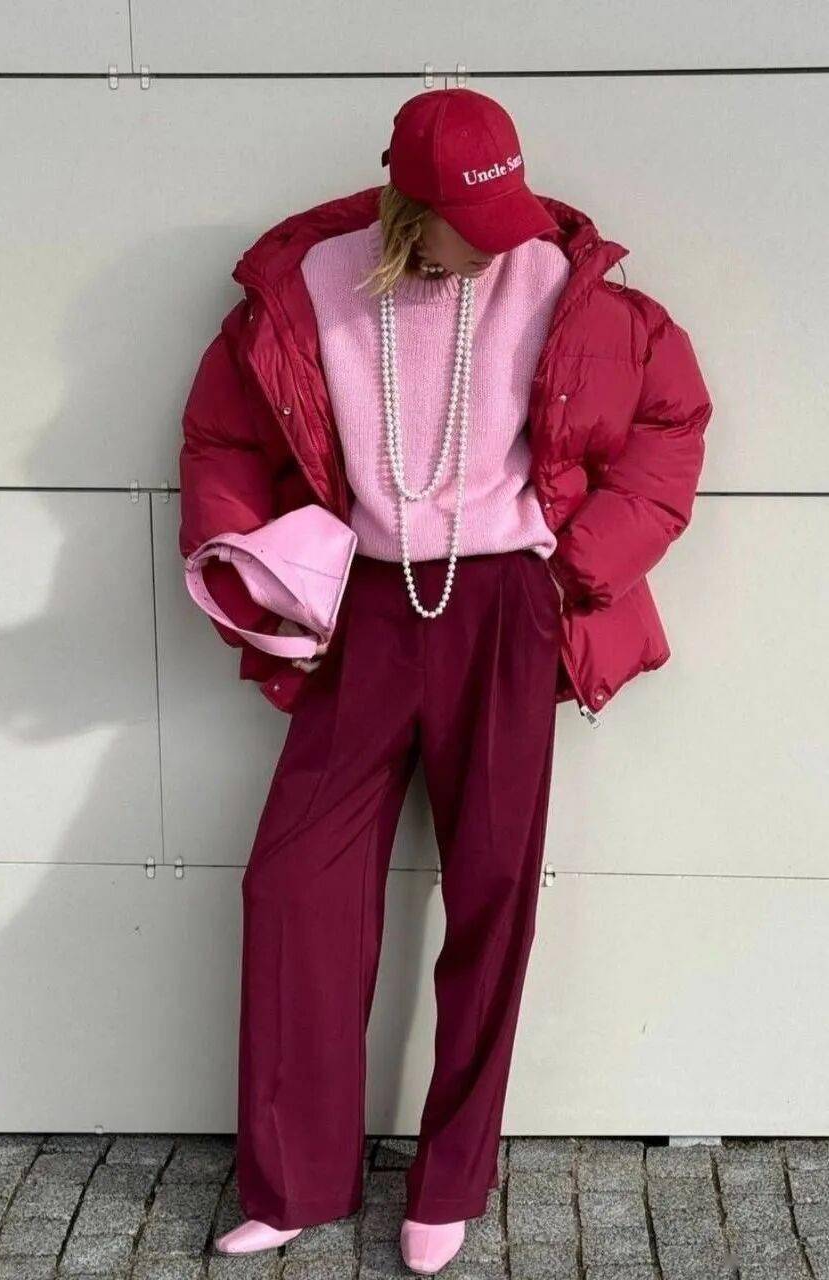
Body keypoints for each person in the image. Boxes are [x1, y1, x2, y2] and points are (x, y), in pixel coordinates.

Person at [177, 88, 713, 1275]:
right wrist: (255, 570)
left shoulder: (564, 284)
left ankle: (450, 1180)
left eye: (510, 210)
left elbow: (671, 419)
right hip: (367, 607)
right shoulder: (309, 286)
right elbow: (222, 437)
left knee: (492, 892)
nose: (501, 238)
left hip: (509, 604)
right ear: (410, 208)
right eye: (475, 220)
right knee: (293, 887)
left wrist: (580, 563)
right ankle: (294, 1177)